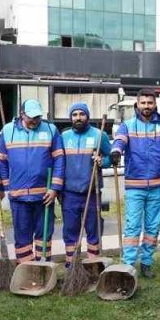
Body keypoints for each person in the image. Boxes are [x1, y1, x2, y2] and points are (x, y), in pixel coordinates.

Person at [109, 88, 160, 278]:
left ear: (155, 104)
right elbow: (119, 141)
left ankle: (146, 263)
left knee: (153, 227)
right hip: (134, 185)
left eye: (150, 103)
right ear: (137, 104)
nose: (147, 106)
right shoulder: (127, 126)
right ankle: (128, 264)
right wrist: (115, 151)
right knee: (132, 227)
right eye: (143, 103)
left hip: (157, 185)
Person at [0, 99, 64, 266]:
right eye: (31, 117)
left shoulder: (50, 129)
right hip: (18, 196)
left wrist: (55, 188)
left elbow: (59, 159)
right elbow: (1, 161)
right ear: (22, 114)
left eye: (38, 117)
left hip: (44, 195)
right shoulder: (7, 131)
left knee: (44, 235)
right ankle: (26, 270)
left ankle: (43, 267)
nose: (35, 120)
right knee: (22, 237)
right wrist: (7, 187)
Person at [61, 103, 110, 268]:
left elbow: (112, 158)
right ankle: (72, 267)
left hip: (92, 191)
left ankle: (93, 265)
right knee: (70, 231)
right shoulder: (64, 136)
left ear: (87, 116)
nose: (78, 117)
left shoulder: (99, 135)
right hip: (69, 193)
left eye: (82, 114)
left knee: (93, 230)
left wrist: (102, 161)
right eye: (74, 114)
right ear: (71, 117)